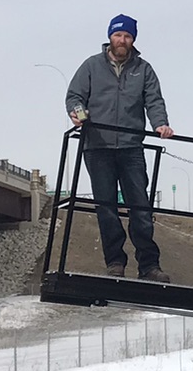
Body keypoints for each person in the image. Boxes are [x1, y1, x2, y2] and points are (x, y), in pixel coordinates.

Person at [66, 14, 174, 281]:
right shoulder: (91, 66)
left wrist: (161, 124)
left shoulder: (144, 69)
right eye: (117, 35)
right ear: (110, 38)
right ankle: (115, 262)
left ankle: (149, 266)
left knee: (140, 207)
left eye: (127, 36)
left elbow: (154, 100)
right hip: (97, 147)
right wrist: (79, 115)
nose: (122, 40)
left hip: (130, 148)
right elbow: (74, 96)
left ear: (133, 39)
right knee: (107, 208)